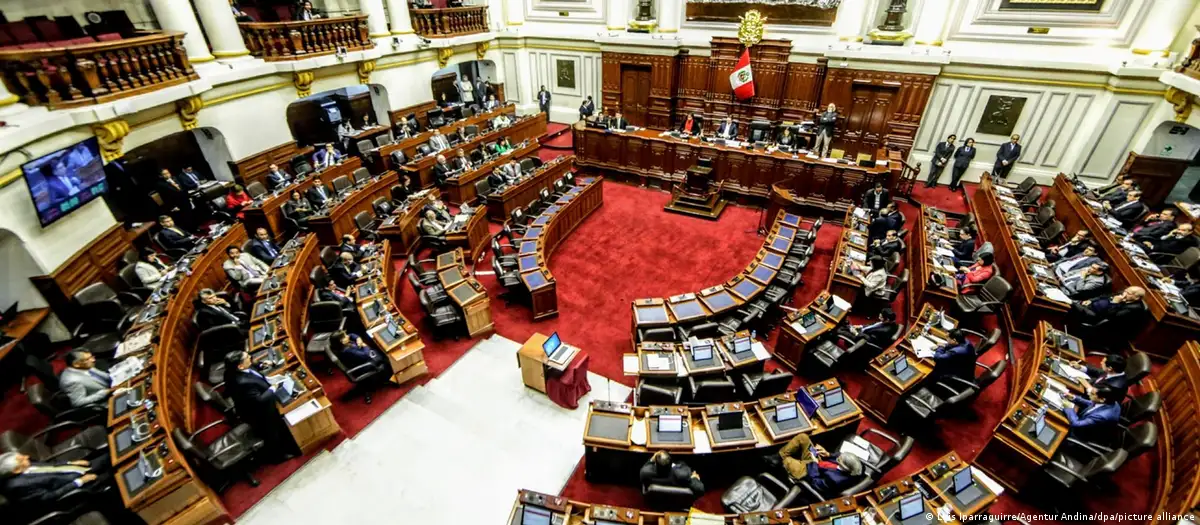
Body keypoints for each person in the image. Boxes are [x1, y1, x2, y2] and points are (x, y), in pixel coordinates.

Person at [223, 351, 299, 462]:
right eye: (247, 357)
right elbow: (259, 400)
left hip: (254, 398)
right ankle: (278, 457)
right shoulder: (242, 382)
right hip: (258, 412)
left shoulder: (234, 370)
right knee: (273, 431)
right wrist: (273, 388)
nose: (250, 357)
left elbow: (251, 369)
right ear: (240, 366)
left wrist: (262, 365)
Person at [0, 452, 113, 509]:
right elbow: (50, 496)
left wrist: (70, 463)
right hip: (75, 489)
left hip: (74, 471)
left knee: (109, 455)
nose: (27, 456)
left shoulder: (26, 465)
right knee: (114, 474)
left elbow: (50, 466)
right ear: (16, 470)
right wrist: (80, 481)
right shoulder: (21, 487)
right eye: (22, 459)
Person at [778, 433, 863, 493]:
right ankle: (780, 454)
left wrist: (815, 463)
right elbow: (839, 456)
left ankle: (779, 463)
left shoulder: (834, 480)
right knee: (803, 437)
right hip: (819, 463)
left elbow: (815, 482)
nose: (838, 457)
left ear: (844, 466)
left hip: (807, 473)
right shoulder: (856, 466)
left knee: (787, 460)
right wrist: (828, 454)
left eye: (839, 459)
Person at [329, 331, 389, 403]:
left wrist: (358, 338)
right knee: (384, 356)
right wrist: (365, 345)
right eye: (345, 336)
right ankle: (386, 377)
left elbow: (351, 334)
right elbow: (365, 355)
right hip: (364, 365)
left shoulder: (337, 345)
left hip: (357, 360)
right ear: (342, 341)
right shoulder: (348, 351)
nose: (347, 336)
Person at [1070, 286, 1147, 325]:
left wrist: (1115, 303)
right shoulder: (1122, 294)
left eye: (1128, 293)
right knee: (1074, 302)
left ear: (1136, 298)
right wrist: (1090, 300)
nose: (1124, 293)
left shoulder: (1133, 309)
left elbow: (1111, 317)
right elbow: (1103, 296)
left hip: (1096, 316)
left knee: (1072, 305)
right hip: (1091, 305)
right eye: (1125, 291)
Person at [638, 451, 704, 497]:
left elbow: (646, 466)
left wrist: (652, 459)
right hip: (677, 502)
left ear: (655, 464)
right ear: (671, 463)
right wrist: (695, 478)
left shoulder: (645, 473)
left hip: (657, 501)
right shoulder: (682, 475)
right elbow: (700, 489)